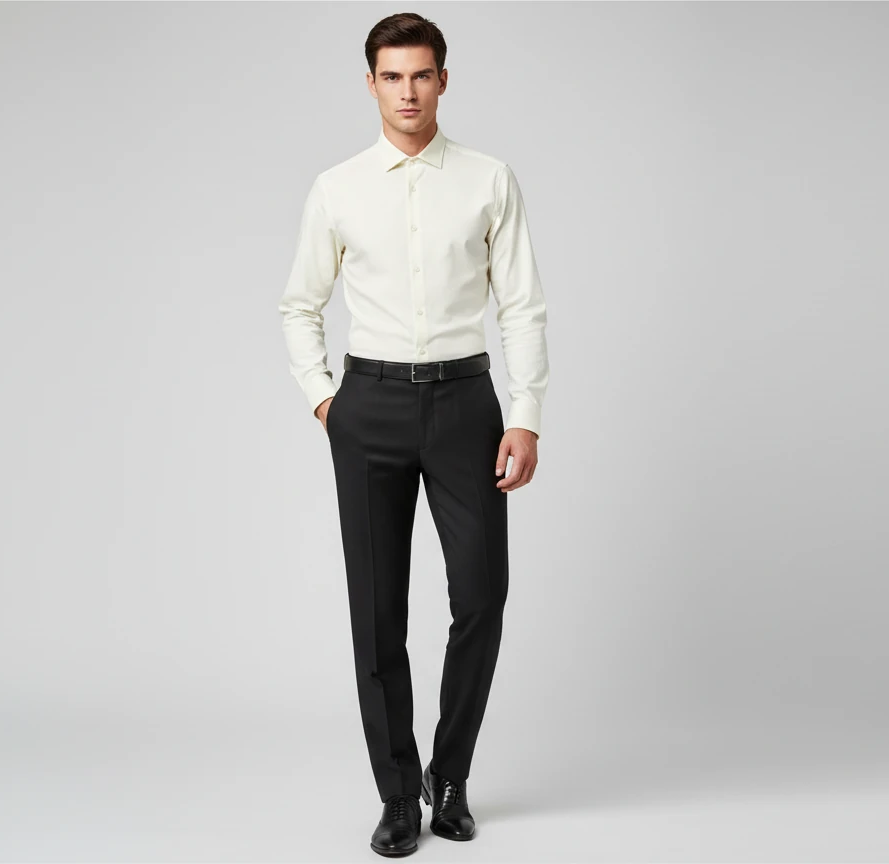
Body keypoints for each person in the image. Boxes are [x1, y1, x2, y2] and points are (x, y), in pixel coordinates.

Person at [278, 12, 549, 857]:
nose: (407, 92)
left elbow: (522, 305)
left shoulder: (488, 179)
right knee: (376, 613)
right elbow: (299, 306)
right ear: (371, 84)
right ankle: (398, 794)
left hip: (467, 405)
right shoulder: (337, 188)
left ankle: (450, 776)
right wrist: (326, 402)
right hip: (370, 407)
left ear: (443, 80)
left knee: (482, 596)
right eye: (392, 77)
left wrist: (525, 414)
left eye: (421, 75)